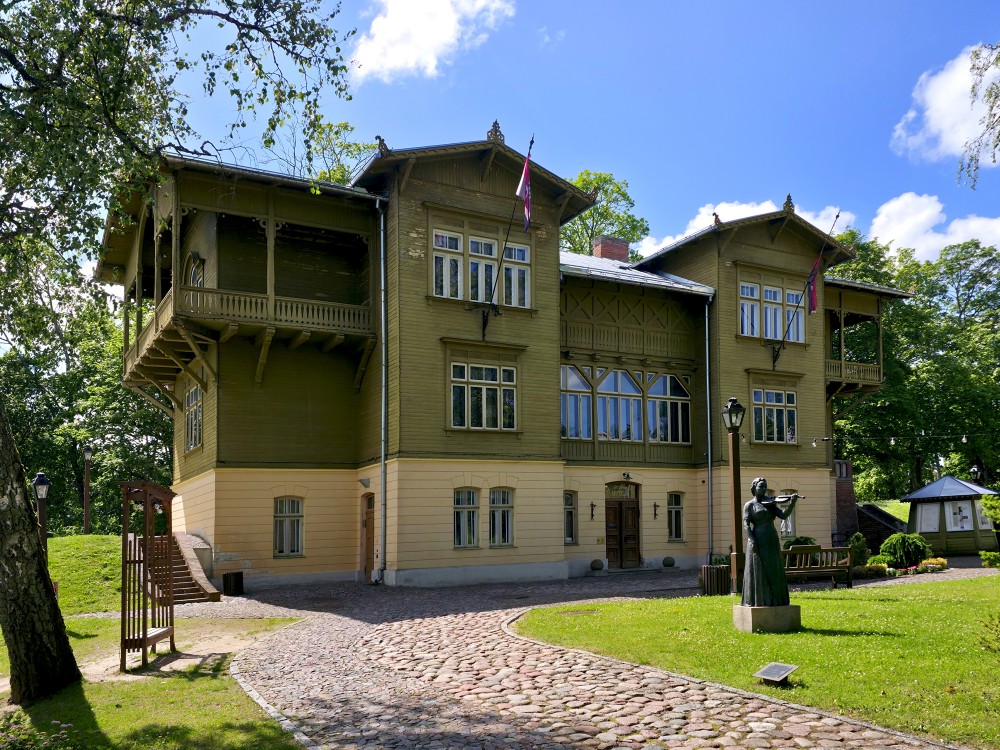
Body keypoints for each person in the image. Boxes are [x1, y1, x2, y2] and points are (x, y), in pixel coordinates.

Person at [741, 477, 800, 607]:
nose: (763, 489)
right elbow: (746, 524)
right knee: (758, 568)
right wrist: (751, 539)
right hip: (758, 538)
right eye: (761, 486)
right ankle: (759, 599)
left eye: (765, 487)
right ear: (754, 488)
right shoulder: (749, 505)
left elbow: (783, 516)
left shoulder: (771, 503)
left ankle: (776, 599)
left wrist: (792, 504)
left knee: (774, 567)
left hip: (771, 537)